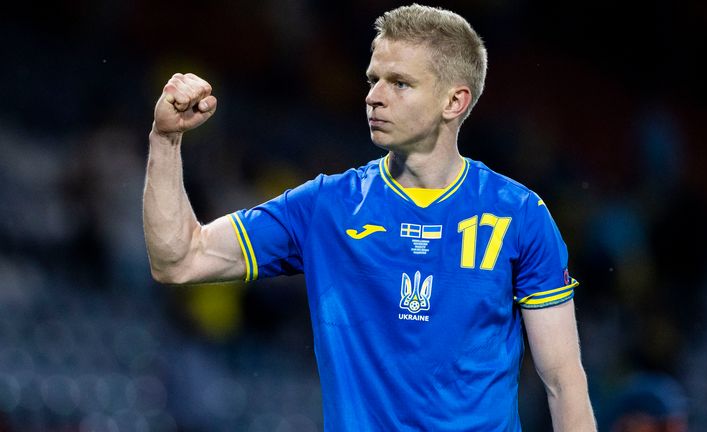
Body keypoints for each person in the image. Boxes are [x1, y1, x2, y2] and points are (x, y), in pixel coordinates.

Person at [143, 4, 596, 431]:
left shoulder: (519, 214)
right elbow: (179, 259)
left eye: (399, 83)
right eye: (372, 79)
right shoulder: (327, 206)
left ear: (454, 102)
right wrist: (165, 140)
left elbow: (562, 380)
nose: (373, 97)